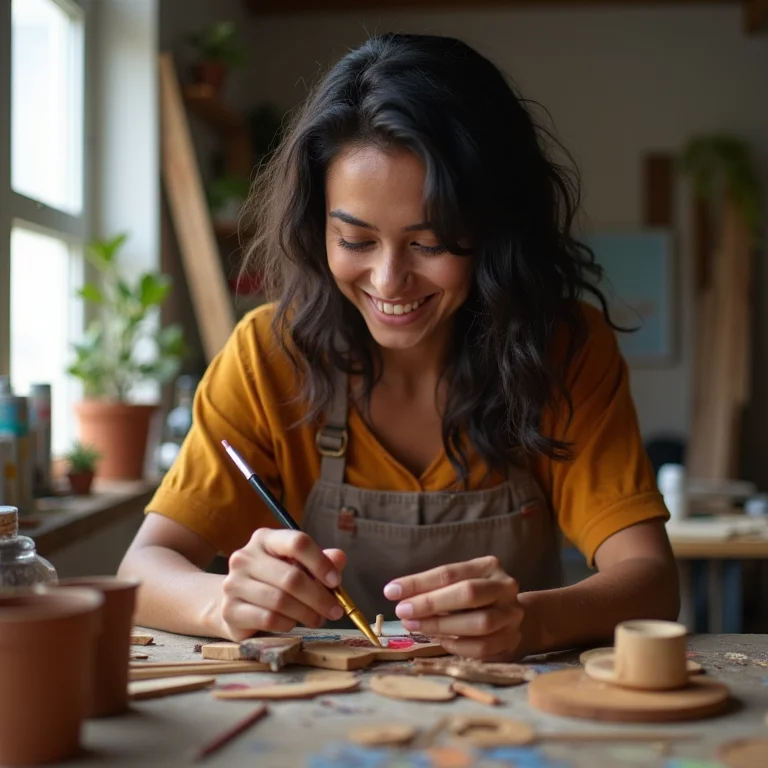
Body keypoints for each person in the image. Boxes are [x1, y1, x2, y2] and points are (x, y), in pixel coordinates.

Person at [119, 33, 679, 660]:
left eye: (430, 243)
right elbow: (142, 568)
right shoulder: (267, 357)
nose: (389, 282)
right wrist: (223, 600)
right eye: (356, 242)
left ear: (494, 228)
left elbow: (652, 582)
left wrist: (531, 622)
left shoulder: (564, 350)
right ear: (317, 228)